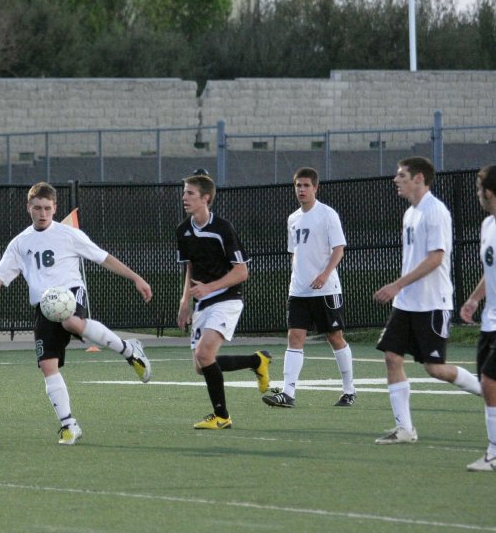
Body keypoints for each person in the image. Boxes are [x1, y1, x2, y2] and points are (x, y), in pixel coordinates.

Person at [0, 182, 153, 445]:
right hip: (44, 307)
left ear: (55, 208)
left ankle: (130, 350)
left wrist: (136, 278)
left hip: (70, 294)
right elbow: (0, 273)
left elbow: (103, 258)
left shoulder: (69, 235)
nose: (43, 213)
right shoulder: (20, 243)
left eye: (47, 208)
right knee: (47, 366)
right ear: (28, 209)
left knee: (73, 322)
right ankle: (69, 425)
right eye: (37, 208)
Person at [372, 156, 481, 444]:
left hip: (432, 303)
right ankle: (405, 430)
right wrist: (400, 291)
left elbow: (436, 259)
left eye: (402, 176)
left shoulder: (436, 211)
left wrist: (396, 285)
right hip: (406, 303)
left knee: (435, 369)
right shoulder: (411, 213)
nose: (396, 180)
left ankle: (488, 391)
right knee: (392, 357)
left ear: (419, 178)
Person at [176, 173, 272, 430]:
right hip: (202, 303)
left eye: (190, 193)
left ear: (205, 198)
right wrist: (185, 301)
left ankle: (222, 416)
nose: (184, 197)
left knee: (204, 353)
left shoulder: (223, 228)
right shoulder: (183, 230)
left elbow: (242, 271)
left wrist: (210, 287)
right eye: (184, 192)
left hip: (227, 298)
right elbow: (190, 267)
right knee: (201, 365)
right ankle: (256, 361)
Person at [263, 167, 356, 408]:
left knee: (334, 337)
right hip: (299, 291)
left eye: (306, 185)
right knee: (294, 336)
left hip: (326, 290)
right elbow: (294, 253)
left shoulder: (327, 214)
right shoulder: (293, 218)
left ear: (316, 187)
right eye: (298, 185)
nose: (301, 190)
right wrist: (297, 279)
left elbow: (339, 249)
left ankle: (349, 390)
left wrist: (324, 275)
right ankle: (288, 393)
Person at [459, 164, 496, 471]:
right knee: (488, 385)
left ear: (489, 193)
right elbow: (490, 272)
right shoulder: (487, 226)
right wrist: (474, 299)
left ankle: (494, 453)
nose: (477, 195)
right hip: (490, 321)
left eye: (478, 189)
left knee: (489, 381)